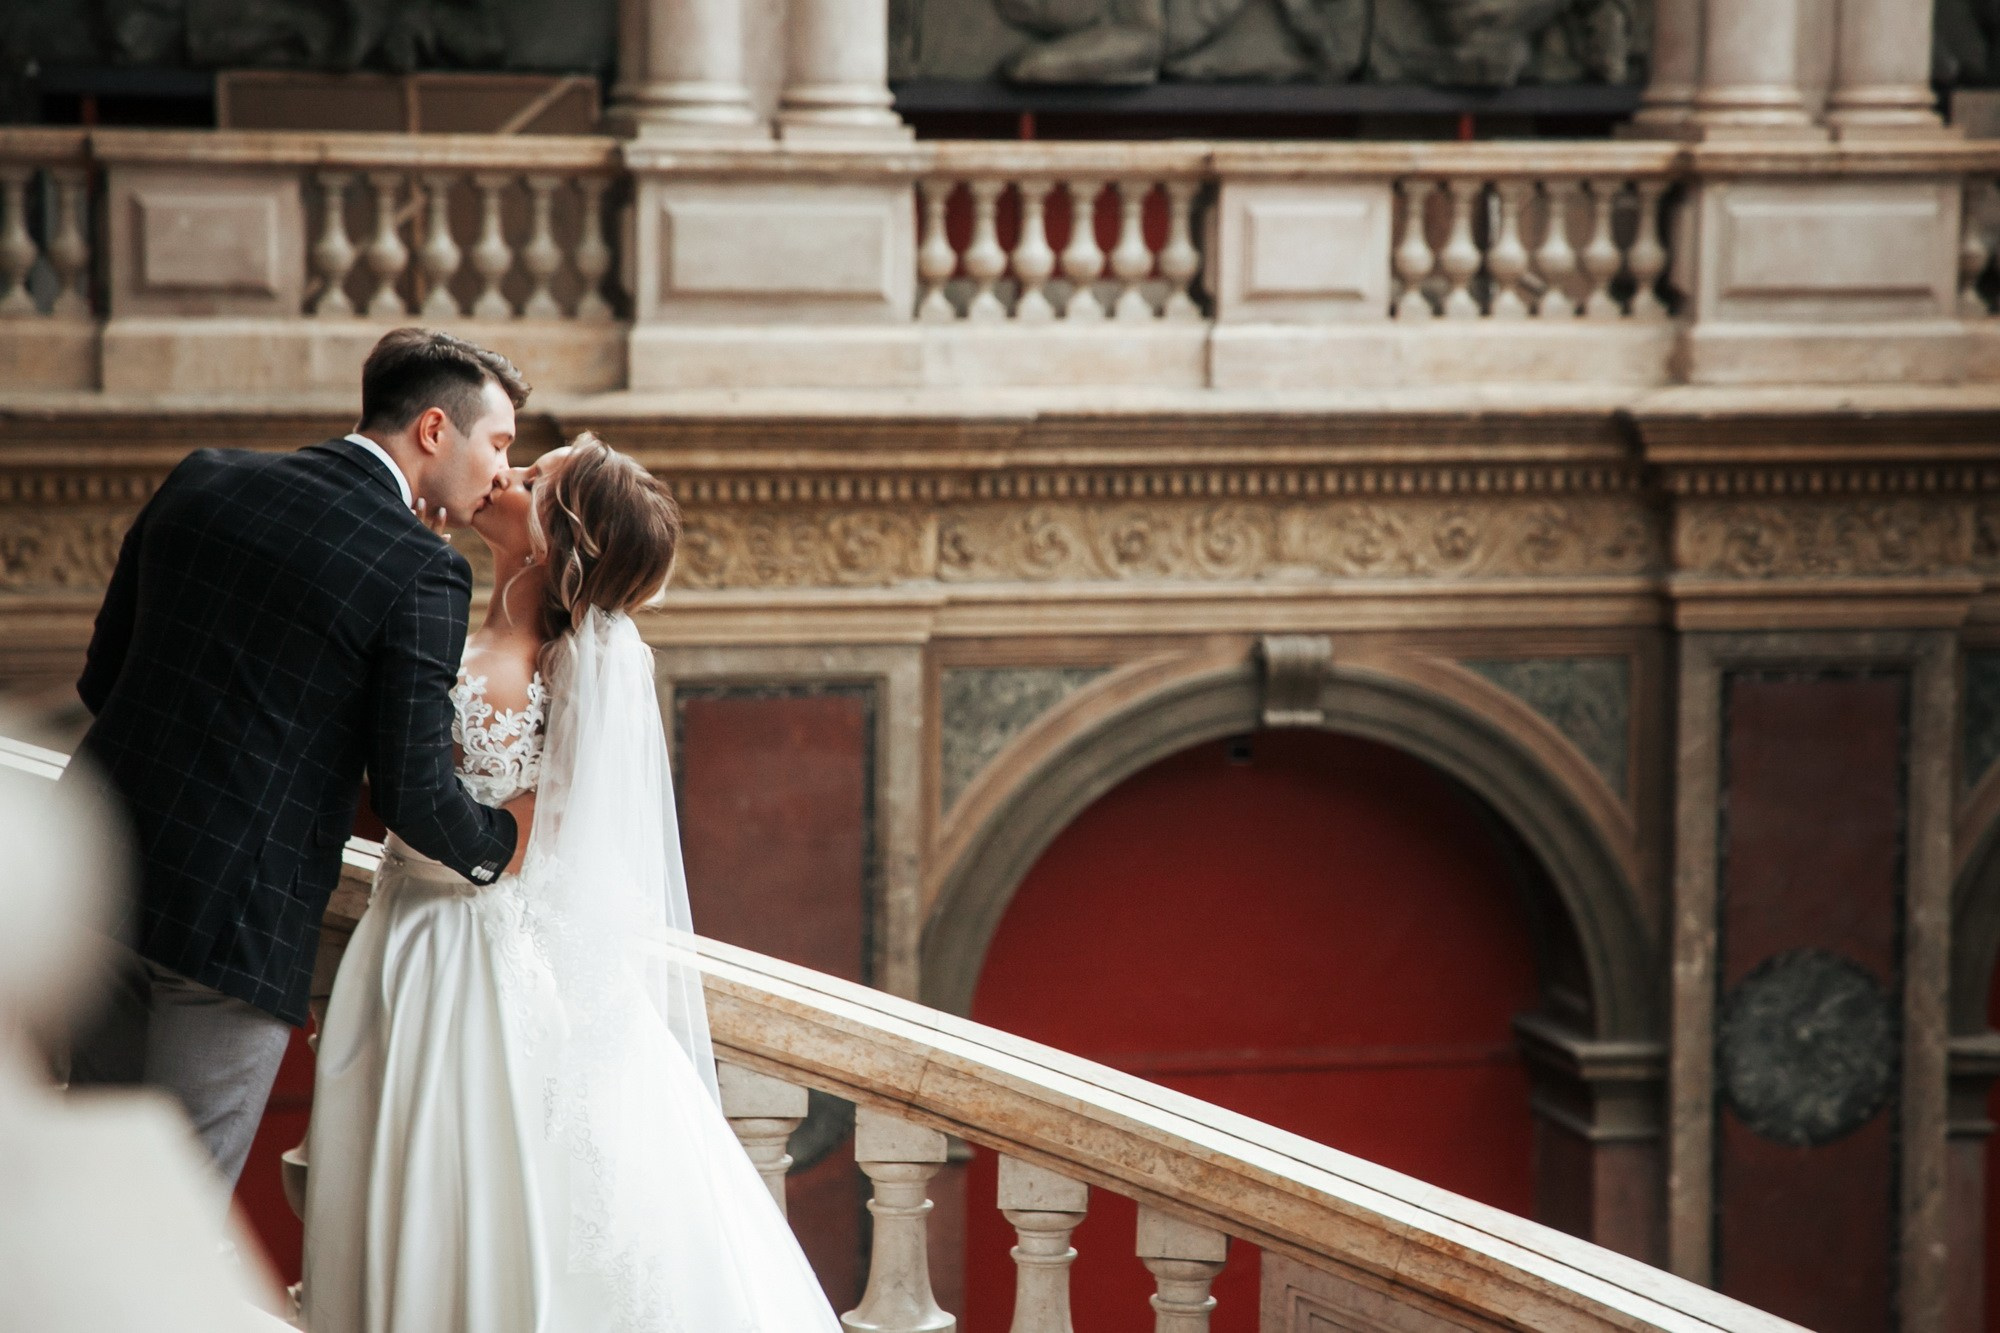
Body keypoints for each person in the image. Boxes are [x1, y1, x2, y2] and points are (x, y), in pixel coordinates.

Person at [301, 434, 842, 1333]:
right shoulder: (456, 614)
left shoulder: (568, 667)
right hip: (410, 930)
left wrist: (426, 835)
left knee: (480, 1192)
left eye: (534, 478)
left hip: (471, 949)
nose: (506, 475)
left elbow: (537, 836)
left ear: (556, 538)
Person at [66, 327, 532, 1189]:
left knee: (87, 1187)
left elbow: (104, 679)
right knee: (173, 1213)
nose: (505, 470)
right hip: (233, 926)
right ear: (435, 430)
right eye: (498, 442)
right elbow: (413, 793)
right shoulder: (422, 570)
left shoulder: (203, 475)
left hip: (93, 871)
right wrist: (507, 840)